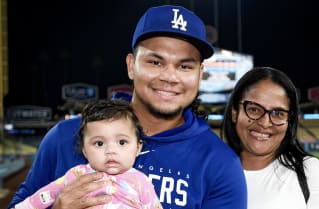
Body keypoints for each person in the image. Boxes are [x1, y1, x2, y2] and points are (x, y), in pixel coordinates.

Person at [8, 5, 247, 209]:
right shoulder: (65, 137)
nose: (170, 77)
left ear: (199, 74)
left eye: (185, 66)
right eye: (155, 62)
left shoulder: (220, 163)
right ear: (131, 66)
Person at [221, 66, 319, 209]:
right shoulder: (208, 170)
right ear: (235, 112)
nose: (265, 123)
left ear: (289, 120)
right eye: (254, 109)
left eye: (278, 113)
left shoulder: (310, 171)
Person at [13, 100, 163, 209]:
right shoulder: (77, 175)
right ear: (85, 150)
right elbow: (46, 194)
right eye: (99, 143)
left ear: (138, 147)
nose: (111, 150)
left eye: (122, 142)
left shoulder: (141, 182)